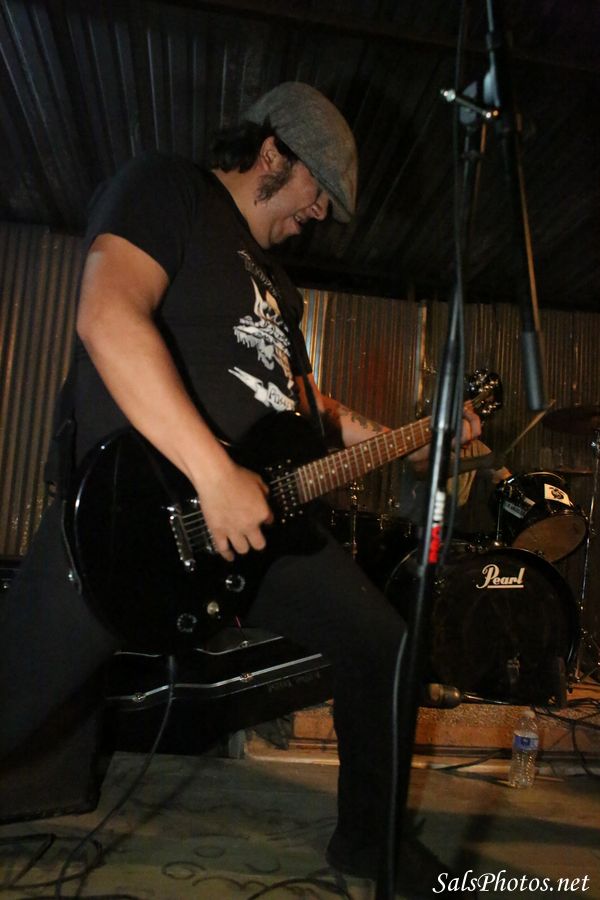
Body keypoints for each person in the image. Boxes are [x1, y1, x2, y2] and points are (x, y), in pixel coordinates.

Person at [0, 82, 481, 889]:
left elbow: (309, 410)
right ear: (271, 153)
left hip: (259, 521)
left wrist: (414, 437)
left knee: (383, 644)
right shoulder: (168, 189)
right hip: (132, 515)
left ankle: (371, 844)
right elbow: (107, 315)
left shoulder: (280, 290)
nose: (320, 211)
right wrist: (212, 470)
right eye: (317, 188)